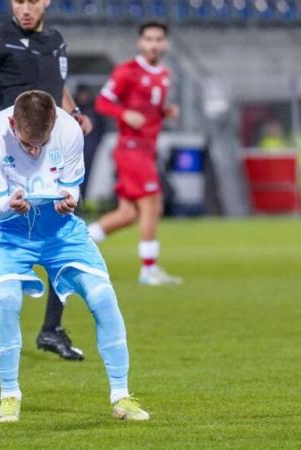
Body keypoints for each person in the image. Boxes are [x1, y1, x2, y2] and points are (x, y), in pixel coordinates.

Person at [0, 90, 149, 423]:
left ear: (55, 122)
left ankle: (122, 396)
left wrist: (70, 199)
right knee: (7, 300)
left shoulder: (69, 129)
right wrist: (9, 203)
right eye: (27, 144)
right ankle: (9, 396)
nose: (35, 151)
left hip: (60, 231)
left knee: (103, 296)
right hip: (8, 231)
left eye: (42, 143)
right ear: (12, 123)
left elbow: (73, 186)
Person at [0, 0, 93, 362]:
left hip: (51, 156)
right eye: (18, 1)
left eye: (32, 0)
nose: (25, 8)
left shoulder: (56, 40)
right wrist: (1, 121)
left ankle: (51, 329)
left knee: (60, 239)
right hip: (12, 160)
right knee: (3, 242)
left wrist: (74, 114)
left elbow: (57, 89)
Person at [86, 21, 182, 286]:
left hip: (146, 150)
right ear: (140, 43)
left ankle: (77, 242)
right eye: (148, 39)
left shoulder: (163, 74)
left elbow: (150, 109)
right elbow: (102, 102)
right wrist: (123, 113)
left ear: (166, 44)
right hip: (131, 149)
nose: (153, 44)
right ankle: (148, 270)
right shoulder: (127, 71)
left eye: (158, 39)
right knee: (153, 204)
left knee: (128, 214)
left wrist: (165, 113)